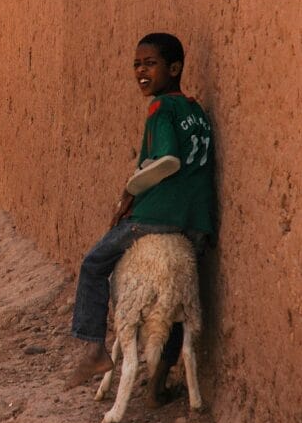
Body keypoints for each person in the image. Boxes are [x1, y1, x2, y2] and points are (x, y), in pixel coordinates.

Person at [68, 33, 216, 402]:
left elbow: (165, 161)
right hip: (196, 222)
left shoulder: (161, 109)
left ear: (175, 68)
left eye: (150, 63)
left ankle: (93, 350)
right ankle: (156, 386)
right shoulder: (196, 111)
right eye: (136, 64)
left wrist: (129, 194)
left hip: (157, 216)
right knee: (175, 302)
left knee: (93, 265)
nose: (140, 71)